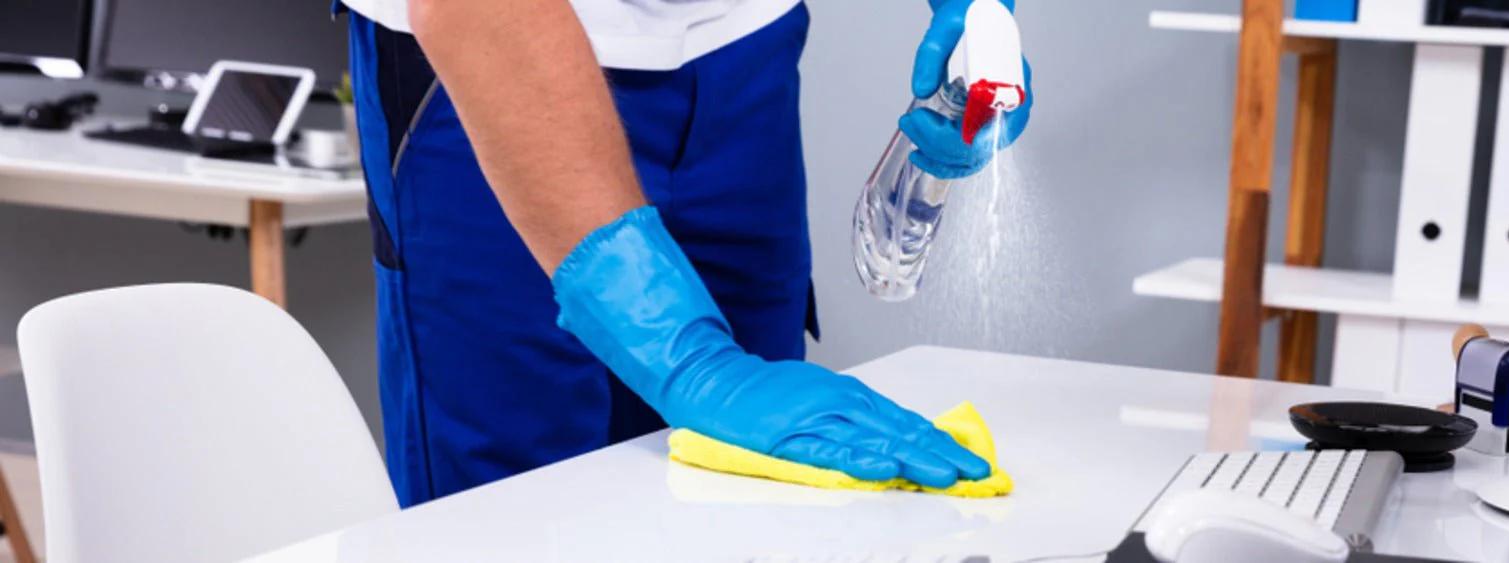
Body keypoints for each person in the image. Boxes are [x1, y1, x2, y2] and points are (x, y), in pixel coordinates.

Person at [334, 0, 1034, 506]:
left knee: (755, 495)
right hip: (496, 58)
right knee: (517, 510)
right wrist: (687, 358)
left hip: (743, 51)